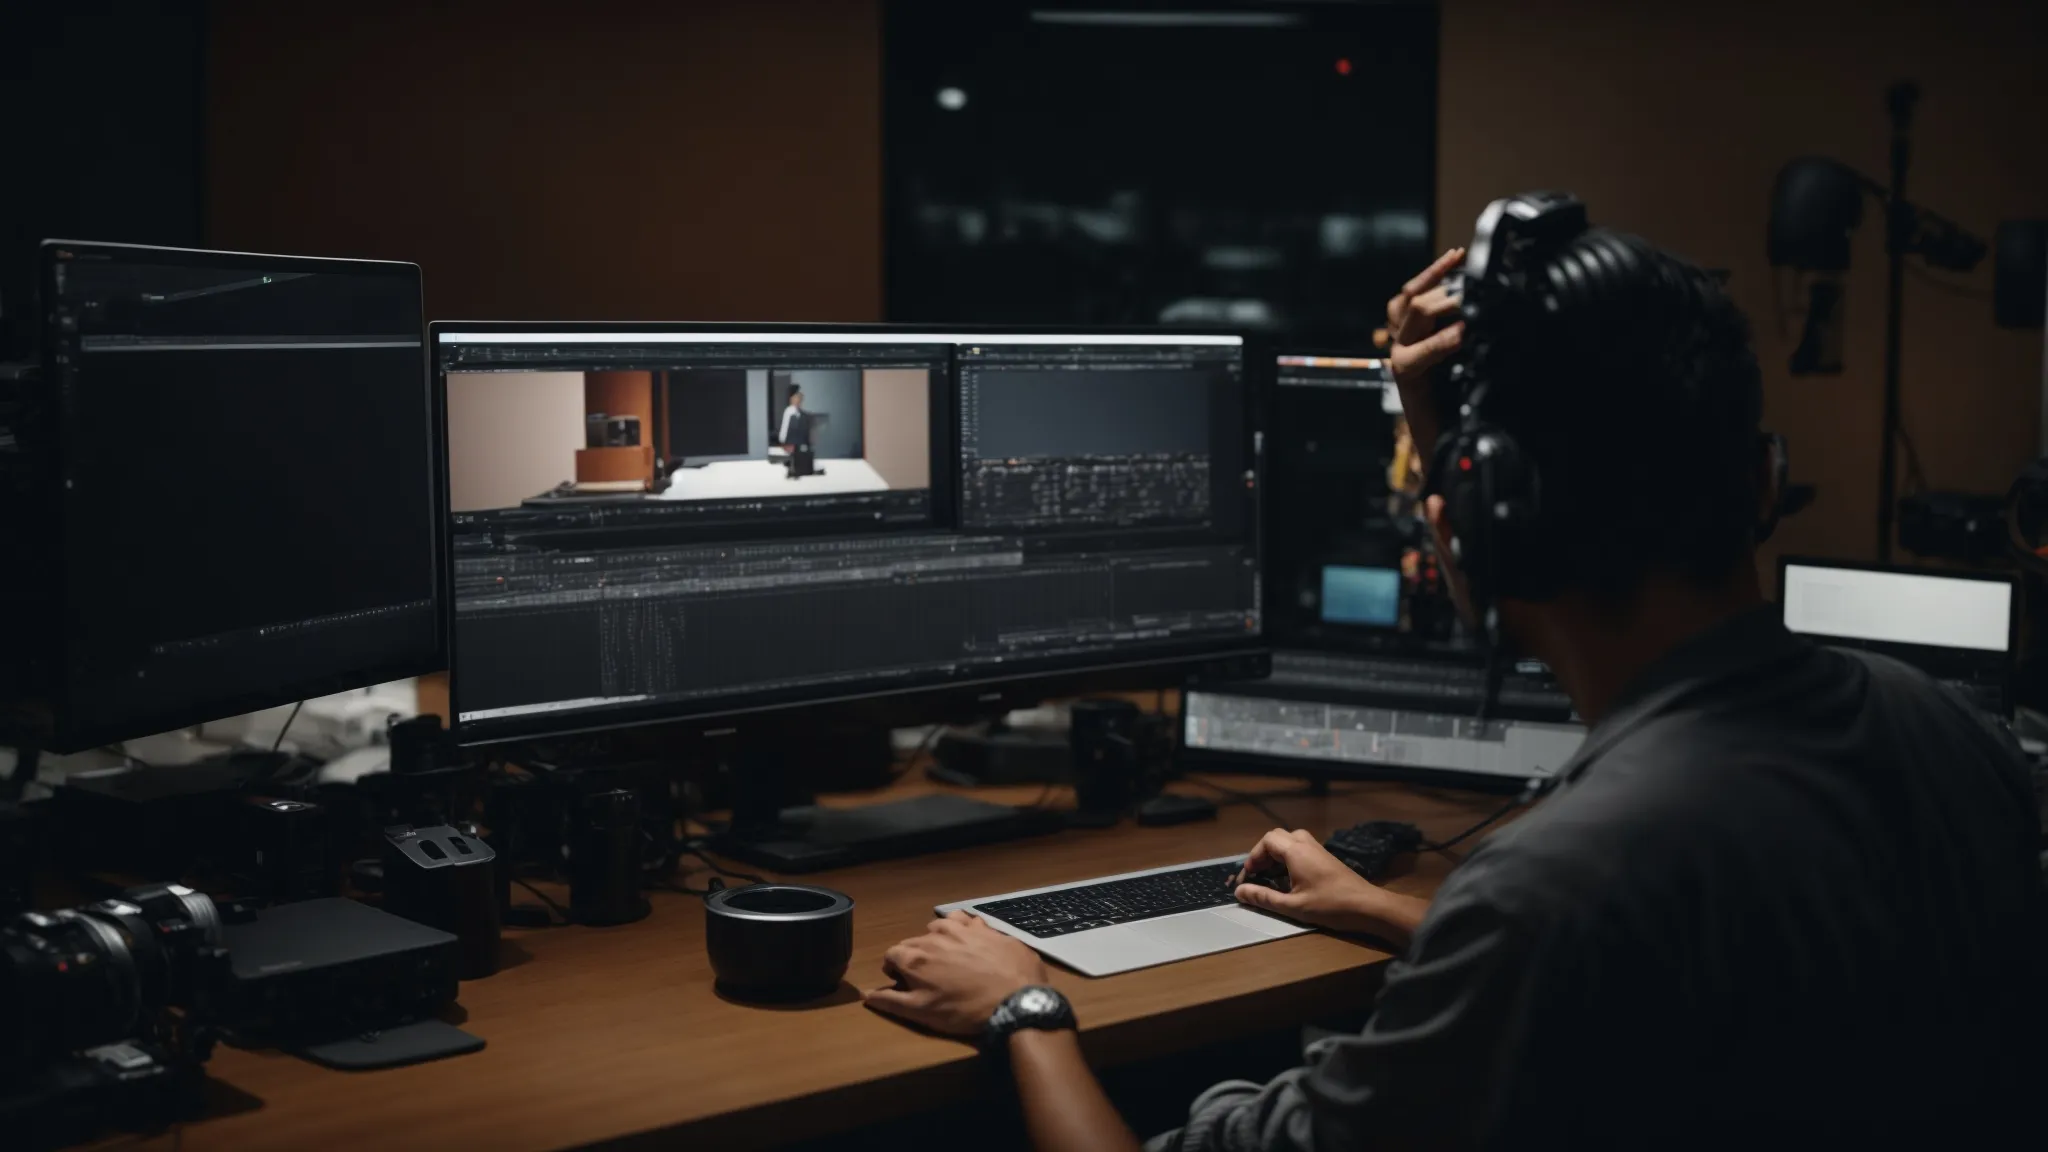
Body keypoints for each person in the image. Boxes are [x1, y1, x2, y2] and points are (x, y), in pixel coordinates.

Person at [865, 219, 2048, 1150]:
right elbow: (1705, 997)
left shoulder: (1557, 888)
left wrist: (1023, 1009)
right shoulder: (1949, 740)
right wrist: (1389, 913)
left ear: (1461, 538)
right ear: (1760, 480)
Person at [778, 384, 815, 478]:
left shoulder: (801, 413)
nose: (800, 398)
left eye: (800, 396)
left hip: (800, 444)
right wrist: (784, 442)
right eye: (797, 396)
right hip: (792, 444)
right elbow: (784, 430)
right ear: (792, 398)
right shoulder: (789, 412)